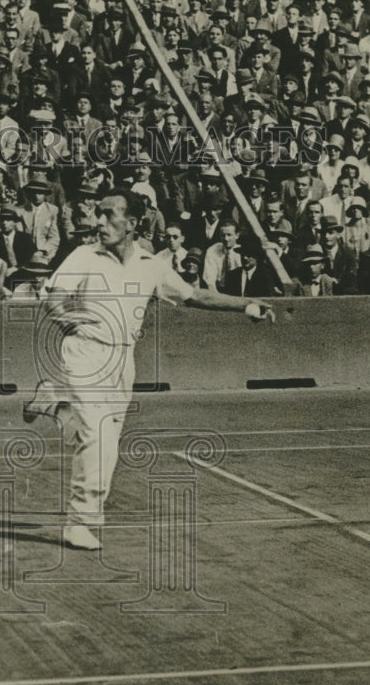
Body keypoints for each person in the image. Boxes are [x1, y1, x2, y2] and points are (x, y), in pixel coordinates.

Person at [21, 189, 274, 550]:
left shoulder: (151, 264)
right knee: (96, 438)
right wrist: (72, 323)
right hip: (84, 355)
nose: (99, 222)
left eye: (109, 215)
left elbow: (195, 295)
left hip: (123, 361)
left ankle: (51, 403)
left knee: (106, 445)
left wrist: (247, 304)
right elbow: (53, 299)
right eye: (98, 214)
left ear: (133, 224)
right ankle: (80, 521)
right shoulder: (83, 254)